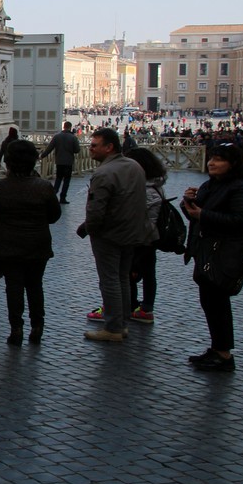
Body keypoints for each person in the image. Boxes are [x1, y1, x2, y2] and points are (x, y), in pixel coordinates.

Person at [181, 144, 243, 372]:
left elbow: (241, 220)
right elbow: (195, 216)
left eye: (218, 160)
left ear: (233, 164)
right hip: (207, 251)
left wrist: (203, 214)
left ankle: (224, 354)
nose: (211, 163)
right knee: (210, 303)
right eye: (211, 158)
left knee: (218, 303)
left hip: (225, 253)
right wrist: (189, 203)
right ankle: (218, 348)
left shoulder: (241, 189)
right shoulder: (211, 185)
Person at [77, 128, 155, 343]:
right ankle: (122, 324)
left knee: (109, 280)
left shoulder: (103, 173)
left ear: (109, 147)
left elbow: (96, 209)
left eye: (94, 145)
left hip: (109, 234)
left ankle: (112, 328)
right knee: (122, 279)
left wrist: (89, 229)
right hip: (132, 232)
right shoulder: (135, 166)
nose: (90, 149)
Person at [0, 140, 61, 345]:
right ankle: (37, 327)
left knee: (14, 286)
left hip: (8, 243)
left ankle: (16, 328)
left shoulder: (2, 187)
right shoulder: (44, 187)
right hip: (38, 243)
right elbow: (54, 215)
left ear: (9, 162)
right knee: (35, 285)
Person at [121, 148, 167, 324]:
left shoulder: (145, 190)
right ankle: (144, 307)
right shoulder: (156, 185)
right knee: (148, 272)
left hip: (141, 237)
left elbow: (132, 213)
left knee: (131, 271)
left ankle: (135, 306)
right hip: (149, 236)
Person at [41, 121, 80, 204]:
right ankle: (63, 198)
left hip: (59, 162)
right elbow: (77, 150)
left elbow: (49, 148)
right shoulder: (73, 137)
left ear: (64, 127)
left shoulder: (57, 137)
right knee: (66, 181)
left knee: (58, 179)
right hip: (68, 162)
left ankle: (53, 196)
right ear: (70, 127)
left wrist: (41, 156)